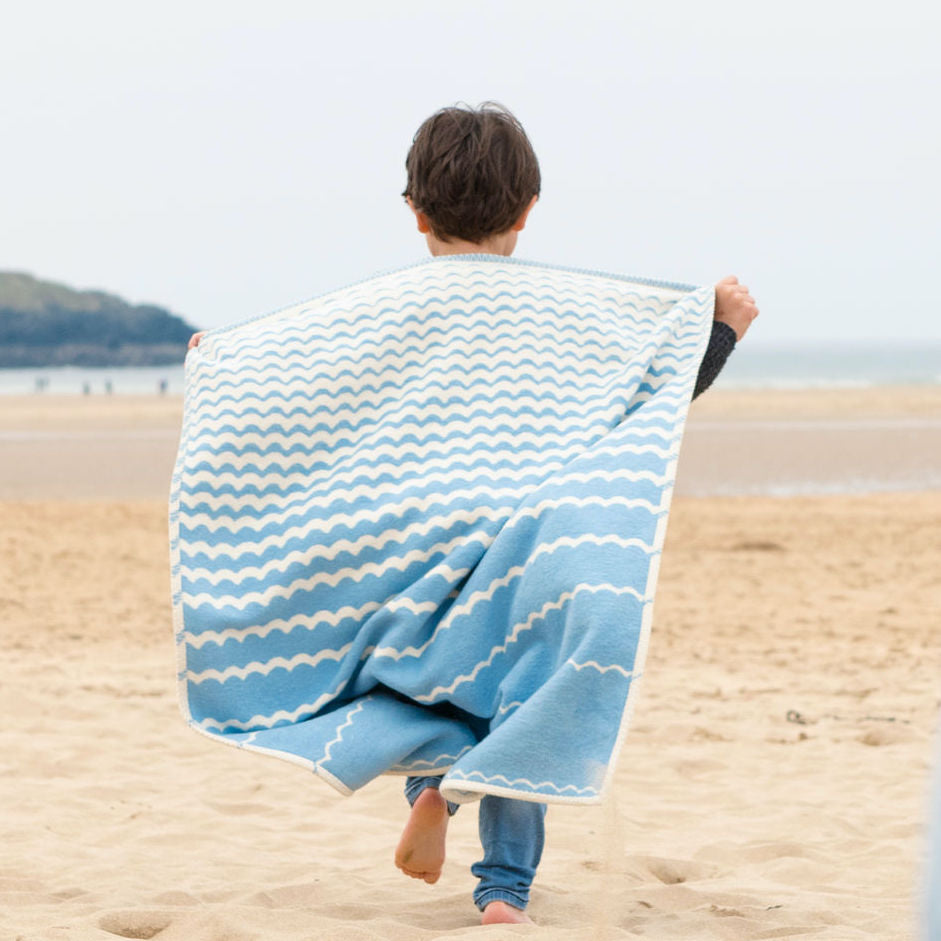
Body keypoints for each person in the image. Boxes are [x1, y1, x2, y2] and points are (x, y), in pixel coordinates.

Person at [188, 102, 758, 926]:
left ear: (415, 214)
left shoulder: (384, 315)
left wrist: (227, 372)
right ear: (528, 211)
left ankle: (430, 788)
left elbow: (311, 396)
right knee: (526, 706)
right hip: (526, 548)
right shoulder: (565, 316)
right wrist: (719, 330)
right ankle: (501, 894)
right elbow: (642, 406)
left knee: (423, 684)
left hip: (419, 545)